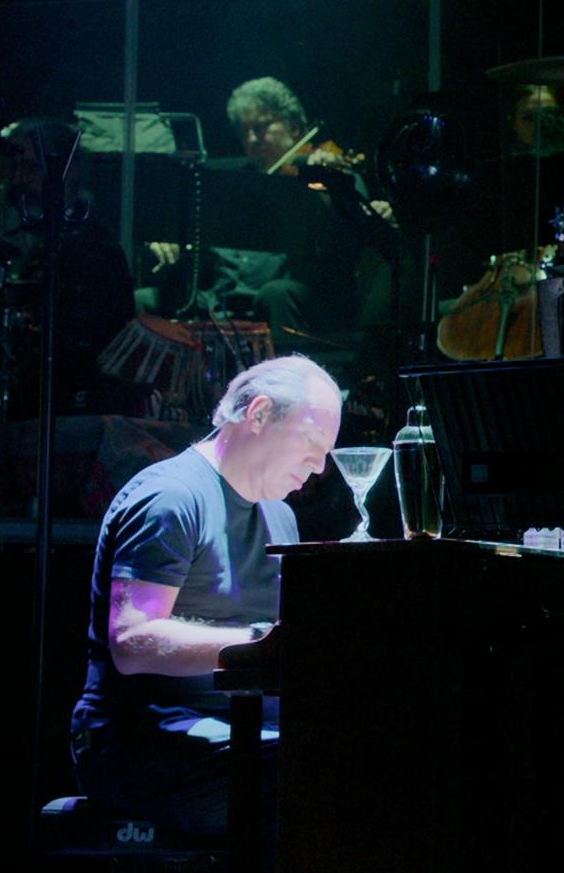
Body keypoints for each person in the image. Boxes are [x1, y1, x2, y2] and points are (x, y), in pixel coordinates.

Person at [69, 354, 342, 835]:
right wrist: (259, 643)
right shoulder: (171, 496)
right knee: (314, 773)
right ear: (258, 415)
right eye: (312, 444)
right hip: (143, 741)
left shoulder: (280, 514)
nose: (319, 467)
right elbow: (132, 641)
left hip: (242, 732)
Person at [143, 77, 391, 338]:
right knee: (146, 300)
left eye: (261, 128)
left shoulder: (326, 174)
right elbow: (196, 237)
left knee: (276, 294)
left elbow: (349, 242)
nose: (251, 139)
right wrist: (172, 241)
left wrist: (330, 186)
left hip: (286, 298)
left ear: (295, 127)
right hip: (220, 297)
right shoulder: (229, 183)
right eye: (244, 131)